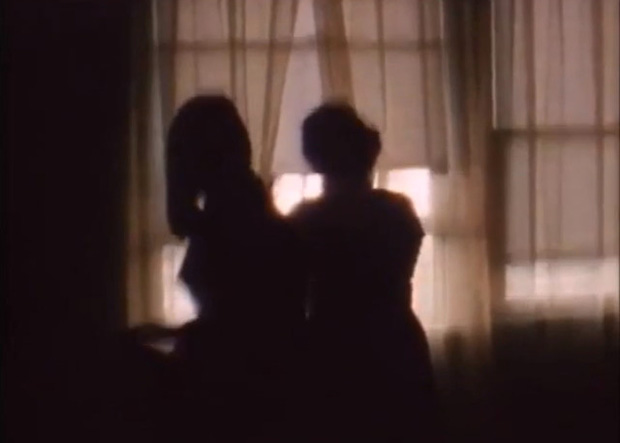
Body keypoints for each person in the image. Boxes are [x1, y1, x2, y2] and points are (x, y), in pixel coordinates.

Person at [290, 102, 438, 442]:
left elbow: (290, 291)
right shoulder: (397, 210)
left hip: (335, 350)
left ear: (315, 157)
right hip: (396, 343)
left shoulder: (308, 219)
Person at [163, 95, 307, 443]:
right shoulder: (250, 218)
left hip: (236, 399)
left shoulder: (226, 225)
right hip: (262, 392)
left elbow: (238, 331)